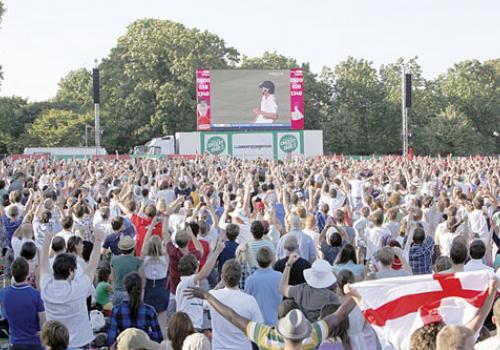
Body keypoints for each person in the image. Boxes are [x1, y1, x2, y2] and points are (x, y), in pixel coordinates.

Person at [185, 285, 356, 350]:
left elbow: (232, 316)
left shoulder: (266, 337)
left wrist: (208, 297)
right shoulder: (312, 336)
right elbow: (339, 315)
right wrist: (358, 294)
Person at [39, 227, 105, 349]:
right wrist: (98, 240)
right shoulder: (78, 289)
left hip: (54, 342)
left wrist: (47, 241)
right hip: (80, 341)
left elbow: (43, 263)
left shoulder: (46, 287)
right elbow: (92, 265)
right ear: (71, 271)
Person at [203, 259, 263, 350]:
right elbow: (259, 328)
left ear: (222, 276)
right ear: (240, 277)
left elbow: (205, 300)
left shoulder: (213, 296)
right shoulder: (250, 301)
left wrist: (220, 283)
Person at [175, 237, 225, 330]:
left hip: (195, 328)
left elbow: (205, 300)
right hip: (187, 328)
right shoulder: (186, 282)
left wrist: (220, 285)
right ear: (196, 268)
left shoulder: (192, 285)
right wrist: (217, 251)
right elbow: (204, 273)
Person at [0, 257, 46, 349]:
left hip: (15, 343)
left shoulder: (3, 293)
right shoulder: (36, 295)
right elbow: (43, 323)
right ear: (27, 273)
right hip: (34, 343)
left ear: (12, 273)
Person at [108, 272, 163, 345]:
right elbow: (158, 338)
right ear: (142, 289)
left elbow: (110, 340)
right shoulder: (150, 311)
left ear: (125, 288)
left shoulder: (116, 310)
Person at [280, 253, 339, 322]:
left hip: (303, 329)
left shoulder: (300, 290)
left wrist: (289, 264)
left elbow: (282, 288)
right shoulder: (332, 298)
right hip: (323, 330)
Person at [245, 247, 283, 326]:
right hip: (275, 321)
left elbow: (247, 303)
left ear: (257, 260)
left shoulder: (250, 280)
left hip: (257, 324)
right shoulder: (280, 276)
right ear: (271, 259)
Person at [111, 235, 142, 305]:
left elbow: (113, 278)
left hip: (118, 292)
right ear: (133, 248)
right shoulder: (137, 261)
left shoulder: (114, 260)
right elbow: (140, 280)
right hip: (132, 294)